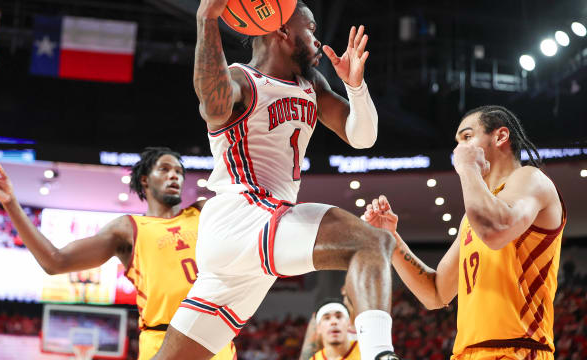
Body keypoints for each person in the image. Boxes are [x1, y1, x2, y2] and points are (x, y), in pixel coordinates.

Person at [154, 1, 400, 359]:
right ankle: (381, 354)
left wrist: (356, 88)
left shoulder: (311, 83)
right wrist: (206, 18)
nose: (317, 40)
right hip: (244, 213)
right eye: (311, 29)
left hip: (245, 241)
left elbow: (362, 137)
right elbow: (211, 104)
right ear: (282, 30)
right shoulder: (241, 80)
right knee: (371, 243)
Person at [0, 147, 236, 360]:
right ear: (145, 180)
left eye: (179, 172)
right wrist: (10, 203)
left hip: (213, 336)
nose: (175, 177)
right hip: (162, 339)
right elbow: (55, 261)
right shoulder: (128, 228)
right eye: (165, 169)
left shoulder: (203, 211)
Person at [364, 105, 566, 359]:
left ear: (501, 136)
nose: (458, 149)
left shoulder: (530, 178)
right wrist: (391, 239)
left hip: (517, 350)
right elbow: (436, 293)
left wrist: (468, 169)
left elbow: (496, 231)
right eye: (458, 142)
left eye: (467, 137)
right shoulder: (473, 218)